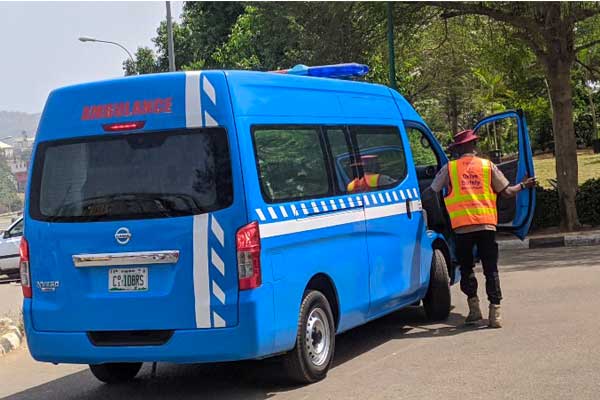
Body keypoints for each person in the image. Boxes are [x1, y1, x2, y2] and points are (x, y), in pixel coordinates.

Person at [430, 129, 536, 328]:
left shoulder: (449, 169)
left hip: (462, 228)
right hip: (487, 225)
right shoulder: (488, 166)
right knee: (491, 269)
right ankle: (495, 313)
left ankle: (474, 309)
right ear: (474, 146)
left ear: (458, 149)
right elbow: (507, 192)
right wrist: (524, 185)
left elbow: (432, 191)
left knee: (467, 268)